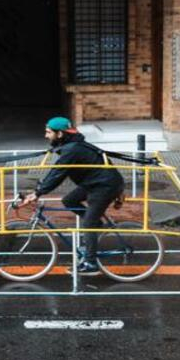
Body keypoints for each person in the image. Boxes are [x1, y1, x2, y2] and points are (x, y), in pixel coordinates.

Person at [20, 116, 125, 276]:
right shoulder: (72, 145)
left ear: (60, 134)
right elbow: (57, 172)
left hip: (103, 186)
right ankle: (95, 225)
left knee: (88, 222)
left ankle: (90, 263)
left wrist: (38, 193)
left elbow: (57, 173)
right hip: (96, 182)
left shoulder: (72, 149)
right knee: (69, 200)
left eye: (48, 132)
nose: (45, 135)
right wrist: (40, 188)